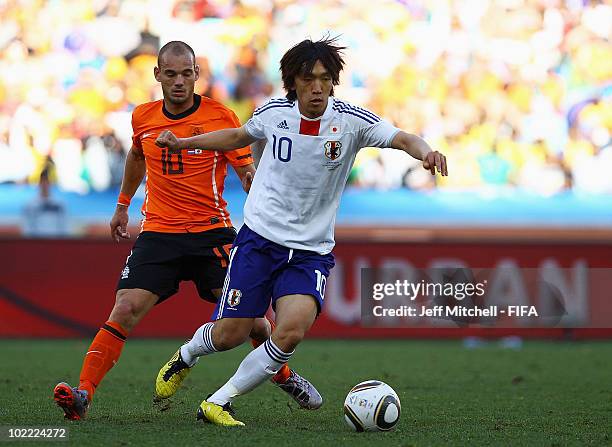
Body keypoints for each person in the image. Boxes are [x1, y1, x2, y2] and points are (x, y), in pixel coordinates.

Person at [154, 36, 448, 427]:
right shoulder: (274, 113)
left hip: (310, 251)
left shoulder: (351, 122)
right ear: (293, 81)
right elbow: (238, 137)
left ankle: (218, 402)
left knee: (290, 332)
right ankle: (188, 354)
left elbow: (402, 137)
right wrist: (185, 142)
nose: (317, 87)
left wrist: (425, 151)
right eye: (308, 79)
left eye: (325, 79)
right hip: (260, 240)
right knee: (228, 335)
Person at [53, 41, 321, 420]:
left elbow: (245, 168)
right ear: (158, 75)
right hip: (158, 235)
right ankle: (83, 394)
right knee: (124, 308)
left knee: (255, 323)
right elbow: (136, 156)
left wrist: (254, 185)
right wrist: (122, 205)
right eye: (172, 74)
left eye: (186, 74)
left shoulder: (220, 116)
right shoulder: (143, 117)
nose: (179, 81)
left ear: (196, 75)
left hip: (211, 233)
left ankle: (285, 376)